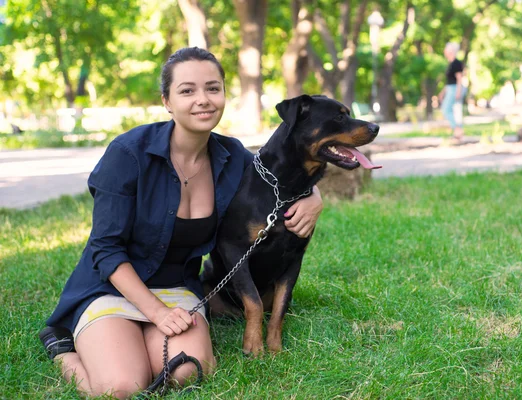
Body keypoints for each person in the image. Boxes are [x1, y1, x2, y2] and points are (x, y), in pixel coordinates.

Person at [38, 47, 324, 399]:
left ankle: (137, 341)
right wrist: (155, 313)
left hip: (176, 289)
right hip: (112, 288)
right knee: (122, 387)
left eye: (213, 88)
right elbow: (106, 250)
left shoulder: (232, 157)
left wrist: (314, 197)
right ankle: (61, 347)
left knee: (187, 372)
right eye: (187, 90)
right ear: (167, 101)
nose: (203, 100)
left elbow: (279, 178)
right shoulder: (128, 153)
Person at [438, 42, 466, 140]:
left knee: (446, 109)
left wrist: (458, 91)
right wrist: (443, 92)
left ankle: (457, 129)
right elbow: (449, 81)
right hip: (450, 88)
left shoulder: (457, 63)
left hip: (455, 88)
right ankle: (458, 131)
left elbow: (459, 79)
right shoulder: (450, 63)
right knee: (454, 111)